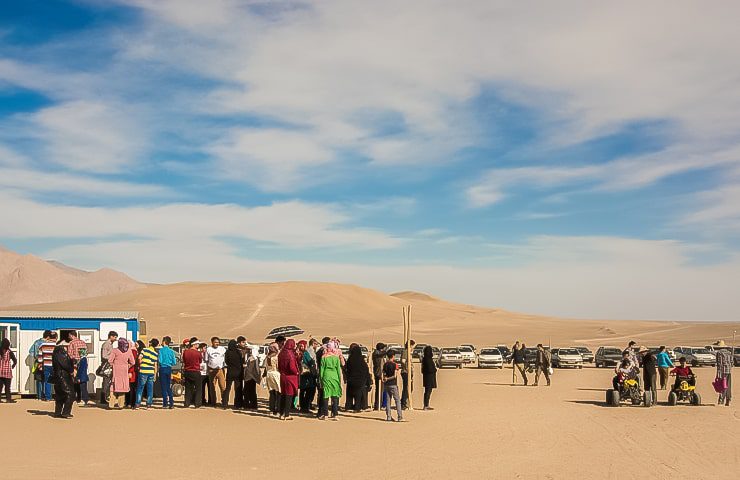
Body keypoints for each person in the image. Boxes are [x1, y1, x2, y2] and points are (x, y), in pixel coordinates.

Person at [319, 340, 343, 420]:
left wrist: (321, 379)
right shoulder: (336, 358)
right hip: (335, 376)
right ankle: (335, 414)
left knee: (326, 395)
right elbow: (338, 370)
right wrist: (339, 380)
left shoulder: (324, 357)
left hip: (326, 375)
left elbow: (321, 370)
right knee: (334, 395)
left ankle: (325, 414)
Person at [108, 339, 135, 409]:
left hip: (116, 370)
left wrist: (113, 365)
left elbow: (110, 360)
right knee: (122, 388)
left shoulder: (115, 350)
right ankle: (121, 405)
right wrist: (128, 366)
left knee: (113, 387)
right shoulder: (129, 351)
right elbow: (133, 362)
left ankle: (111, 404)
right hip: (124, 370)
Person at [277, 338, 299, 420]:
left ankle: (281, 413)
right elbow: (292, 367)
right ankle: (286, 414)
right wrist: (296, 372)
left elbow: (278, 366)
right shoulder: (290, 354)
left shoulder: (281, 353)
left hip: (283, 376)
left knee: (283, 395)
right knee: (289, 395)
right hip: (290, 377)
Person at [51, 344, 75, 418]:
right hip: (63, 377)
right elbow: (65, 365)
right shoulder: (60, 354)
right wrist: (71, 370)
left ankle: (58, 412)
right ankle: (66, 412)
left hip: (58, 377)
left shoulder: (55, 355)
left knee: (60, 395)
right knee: (70, 394)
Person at [345, 344, 370, 413]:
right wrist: (368, 381)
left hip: (351, 379)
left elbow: (347, 368)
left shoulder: (350, 359)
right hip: (360, 381)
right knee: (358, 395)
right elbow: (366, 371)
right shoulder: (362, 361)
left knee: (349, 393)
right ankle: (357, 407)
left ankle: (348, 406)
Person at [135, 338, 159, 409]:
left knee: (140, 388)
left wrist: (140, 365)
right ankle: (148, 404)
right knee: (150, 389)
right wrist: (155, 374)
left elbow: (139, 358)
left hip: (143, 371)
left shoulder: (144, 350)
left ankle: (137, 404)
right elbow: (155, 365)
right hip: (151, 372)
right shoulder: (155, 353)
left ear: (150, 343)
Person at [30, 330, 51, 400]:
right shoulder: (47, 343)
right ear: (48, 336)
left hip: (38, 362)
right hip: (47, 362)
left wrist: (36, 356)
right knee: (47, 379)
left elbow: (30, 352)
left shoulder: (37, 342)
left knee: (39, 379)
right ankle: (46, 396)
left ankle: (39, 396)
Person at [182, 338, 204, 408]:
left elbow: (184, 361)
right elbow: (200, 361)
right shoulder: (198, 353)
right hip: (195, 371)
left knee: (188, 388)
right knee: (198, 389)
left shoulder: (185, 352)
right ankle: (197, 403)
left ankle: (187, 403)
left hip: (187, 371)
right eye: (197, 344)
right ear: (194, 344)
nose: (198, 345)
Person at [205, 337, 226, 407]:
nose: (217, 343)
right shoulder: (208, 349)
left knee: (222, 386)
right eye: (215, 342)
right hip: (212, 370)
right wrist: (208, 369)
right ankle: (213, 402)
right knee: (212, 387)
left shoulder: (222, 349)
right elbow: (206, 360)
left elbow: (225, 359)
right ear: (212, 342)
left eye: (218, 342)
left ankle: (224, 401)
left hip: (220, 370)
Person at [299, 338, 319, 413]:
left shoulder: (302, 352)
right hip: (307, 374)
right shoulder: (307, 352)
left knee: (303, 391)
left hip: (303, 374)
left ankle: (303, 406)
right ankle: (305, 407)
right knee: (308, 390)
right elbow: (311, 362)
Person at [383, 350, 403, 422]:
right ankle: (400, 416)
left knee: (388, 401)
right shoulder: (395, 365)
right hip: (393, 384)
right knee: (397, 400)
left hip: (386, 384)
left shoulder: (385, 364)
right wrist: (388, 378)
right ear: (393, 356)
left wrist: (385, 379)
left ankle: (388, 416)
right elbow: (394, 376)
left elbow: (384, 374)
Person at [37, 332, 58, 401]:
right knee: (58, 381)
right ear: (56, 337)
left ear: (49, 337)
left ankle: (48, 397)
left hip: (46, 365)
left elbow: (40, 357)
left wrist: (40, 366)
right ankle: (58, 396)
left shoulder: (42, 345)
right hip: (55, 366)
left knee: (47, 381)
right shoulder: (57, 345)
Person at [223, 340, 244, 409]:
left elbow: (226, 361)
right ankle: (237, 404)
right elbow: (241, 361)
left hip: (230, 372)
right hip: (238, 373)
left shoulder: (227, 352)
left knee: (227, 388)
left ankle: (225, 404)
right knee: (237, 389)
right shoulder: (238, 352)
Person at [158, 336, 177, 409]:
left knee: (163, 387)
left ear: (164, 342)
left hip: (162, 368)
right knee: (168, 386)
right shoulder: (171, 351)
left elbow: (160, 360)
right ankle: (171, 403)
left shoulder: (161, 351)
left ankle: (165, 403)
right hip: (169, 368)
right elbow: (174, 362)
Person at [99, 331, 118, 404]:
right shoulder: (106, 344)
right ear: (111, 336)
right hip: (106, 365)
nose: (116, 339)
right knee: (106, 381)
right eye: (115, 337)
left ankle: (105, 397)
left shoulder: (110, 344)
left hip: (109, 365)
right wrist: (112, 357)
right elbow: (104, 355)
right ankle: (103, 398)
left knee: (108, 381)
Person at [315, 336, 331, 418]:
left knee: (322, 394)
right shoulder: (324, 352)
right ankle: (323, 412)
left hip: (322, 373)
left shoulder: (320, 351)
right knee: (323, 393)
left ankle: (321, 411)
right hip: (324, 374)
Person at [263, 343, 281, 415]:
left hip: (269, 374)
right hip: (276, 374)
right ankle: (278, 409)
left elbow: (266, 367)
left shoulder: (267, 356)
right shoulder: (276, 356)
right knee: (279, 392)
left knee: (272, 392)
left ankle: (271, 409)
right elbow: (278, 366)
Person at [0, 338, 18, 403]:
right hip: (7, 372)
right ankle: (8, 399)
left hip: (0, 371)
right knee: (7, 387)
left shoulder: (0, 351)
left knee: (0, 387)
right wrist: (13, 365)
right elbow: (15, 360)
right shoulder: (9, 352)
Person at [421, 345, 437, 410]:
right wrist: (435, 369)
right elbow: (430, 369)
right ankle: (425, 405)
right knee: (427, 391)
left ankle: (427, 404)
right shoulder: (427, 359)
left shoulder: (426, 359)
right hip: (429, 378)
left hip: (428, 377)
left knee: (428, 391)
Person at [401, 339, 415, 409]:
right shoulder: (405, 352)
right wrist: (407, 366)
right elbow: (403, 361)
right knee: (406, 388)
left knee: (410, 388)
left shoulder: (409, 353)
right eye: (412, 346)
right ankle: (403, 403)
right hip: (405, 372)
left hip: (409, 372)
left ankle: (405, 402)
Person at [372, 343, 386, 410]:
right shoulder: (376, 353)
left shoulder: (378, 353)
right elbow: (379, 355)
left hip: (379, 373)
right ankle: (377, 405)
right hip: (378, 373)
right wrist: (385, 352)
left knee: (381, 390)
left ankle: (379, 404)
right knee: (379, 390)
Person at [127, 341, 139, 408]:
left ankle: (130, 403)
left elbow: (132, 362)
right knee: (131, 388)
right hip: (132, 372)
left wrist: (130, 371)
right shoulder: (134, 351)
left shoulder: (132, 351)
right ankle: (130, 402)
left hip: (131, 372)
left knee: (131, 388)